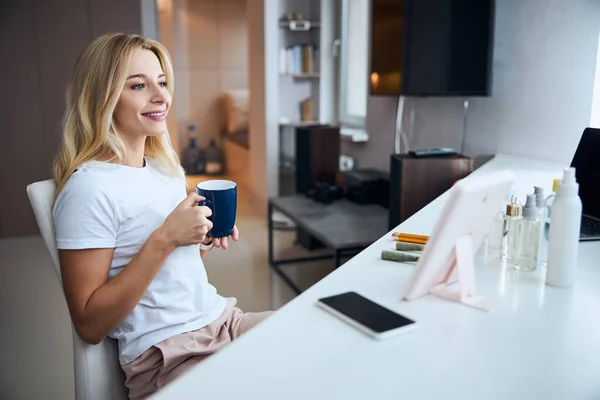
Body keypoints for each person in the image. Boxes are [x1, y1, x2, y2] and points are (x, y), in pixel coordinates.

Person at [52, 33, 272, 399]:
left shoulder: (165, 170)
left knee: (318, 335)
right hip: (168, 356)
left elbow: (174, 274)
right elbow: (89, 324)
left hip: (223, 321)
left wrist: (198, 240)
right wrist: (165, 238)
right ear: (102, 97)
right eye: (139, 85)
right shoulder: (88, 189)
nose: (161, 96)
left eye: (163, 82)